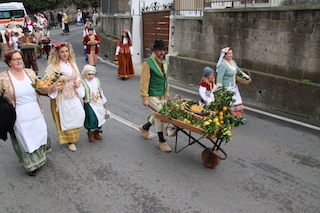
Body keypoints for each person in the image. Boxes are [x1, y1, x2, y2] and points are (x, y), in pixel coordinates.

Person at [0, 50, 51, 176]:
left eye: (20, 58)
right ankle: (30, 166)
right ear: (9, 62)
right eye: (15, 59)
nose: (19, 61)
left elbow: (39, 88)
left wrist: (51, 89)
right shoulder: (3, 77)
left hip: (34, 110)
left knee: (38, 134)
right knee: (24, 139)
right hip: (18, 114)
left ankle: (40, 158)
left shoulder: (30, 72)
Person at [44, 42, 85, 152]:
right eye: (62, 52)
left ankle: (74, 136)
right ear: (57, 53)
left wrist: (78, 82)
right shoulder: (52, 67)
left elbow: (78, 76)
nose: (65, 54)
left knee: (79, 115)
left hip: (73, 94)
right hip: (62, 97)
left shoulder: (72, 63)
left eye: (66, 51)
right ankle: (70, 140)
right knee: (66, 119)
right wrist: (56, 86)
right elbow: (47, 82)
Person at [139, 39, 171, 153]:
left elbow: (166, 79)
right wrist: (144, 97)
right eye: (159, 50)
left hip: (162, 94)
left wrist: (167, 92)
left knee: (159, 113)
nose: (162, 52)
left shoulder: (165, 62)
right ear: (154, 51)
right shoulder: (148, 63)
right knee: (161, 115)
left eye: (163, 50)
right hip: (152, 94)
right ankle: (161, 141)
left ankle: (145, 128)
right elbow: (144, 81)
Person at [216, 47, 251, 119]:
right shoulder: (222, 65)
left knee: (237, 100)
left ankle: (238, 116)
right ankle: (230, 115)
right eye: (228, 54)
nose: (230, 55)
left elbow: (238, 70)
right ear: (224, 55)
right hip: (226, 87)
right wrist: (219, 88)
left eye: (231, 53)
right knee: (229, 102)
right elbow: (219, 77)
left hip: (233, 86)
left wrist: (245, 76)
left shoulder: (233, 62)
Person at [80, 64, 108, 142]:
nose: (91, 76)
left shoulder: (96, 80)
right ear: (85, 74)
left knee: (100, 117)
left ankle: (97, 132)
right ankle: (90, 133)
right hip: (89, 103)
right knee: (92, 118)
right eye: (89, 74)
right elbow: (81, 93)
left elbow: (100, 90)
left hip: (98, 102)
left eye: (92, 74)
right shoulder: (83, 82)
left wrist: (103, 101)